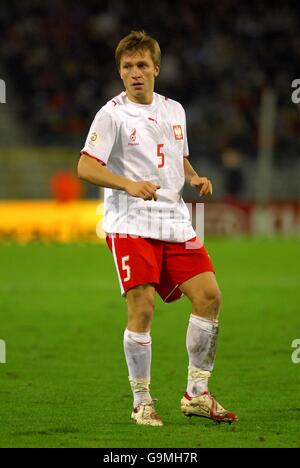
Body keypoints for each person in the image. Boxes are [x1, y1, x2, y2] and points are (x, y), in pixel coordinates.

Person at [78, 30, 238, 426]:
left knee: (209, 296)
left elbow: (176, 157)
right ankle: (142, 402)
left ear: (156, 69)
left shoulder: (175, 110)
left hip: (173, 219)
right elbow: (85, 166)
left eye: (142, 66)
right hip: (130, 222)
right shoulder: (111, 114)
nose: (135, 73)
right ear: (120, 71)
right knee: (143, 307)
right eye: (127, 67)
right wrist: (129, 184)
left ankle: (197, 394)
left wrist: (195, 176)